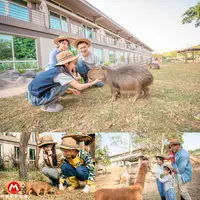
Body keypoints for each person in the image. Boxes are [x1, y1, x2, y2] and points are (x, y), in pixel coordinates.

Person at [27, 51, 101, 112]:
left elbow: (51, 85)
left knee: (66, 84)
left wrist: (71, 90)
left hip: (33, 94)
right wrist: (94, 82)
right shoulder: (61, 74)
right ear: (66, 63)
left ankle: (50, 100)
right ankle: (46, 106)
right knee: (66, 84)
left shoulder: (57, 70)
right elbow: (79, 87)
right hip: (35, 98)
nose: (73, 65)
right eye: (72, 63)